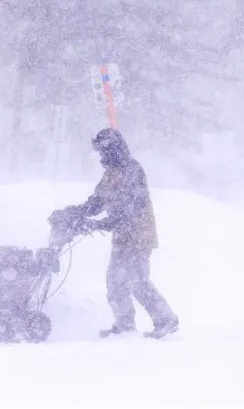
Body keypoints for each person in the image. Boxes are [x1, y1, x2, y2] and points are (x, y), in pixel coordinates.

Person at [52, 127, 179, 339]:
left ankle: (166, 319)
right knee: (115, 281)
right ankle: (124, 325)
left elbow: (131, 206)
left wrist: (103, 224)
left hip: (139, 234)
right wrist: (73, 213)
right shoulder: (110, 173)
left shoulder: (133, 170)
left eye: (103, 151)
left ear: (113, 150)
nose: (101, 156)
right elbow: (97, 201)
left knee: (138, 281)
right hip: (122, 236)